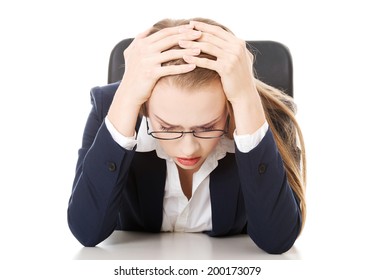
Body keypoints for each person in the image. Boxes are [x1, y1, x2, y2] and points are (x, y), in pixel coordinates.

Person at [67, 17, 306, 254]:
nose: (188, 149)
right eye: (168, 127)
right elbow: (87, 231)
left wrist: (245, 99)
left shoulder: (262, 115)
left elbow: (277, 239)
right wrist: (127, 98)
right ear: (145, 107)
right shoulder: (113, 109)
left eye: (207, 126)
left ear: (228, 108)